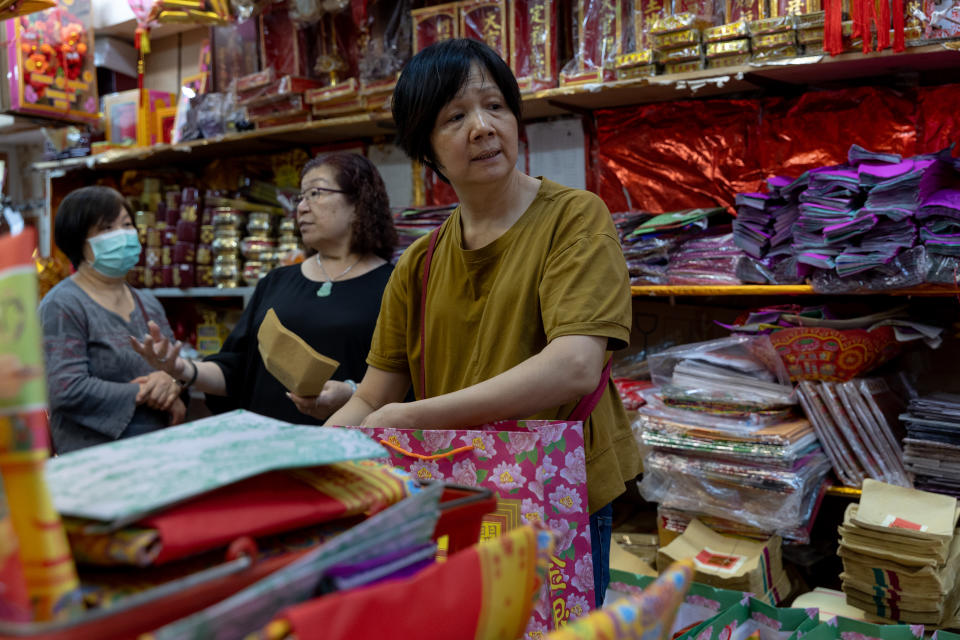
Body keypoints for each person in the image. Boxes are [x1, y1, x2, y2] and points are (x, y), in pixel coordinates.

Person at [319, 39, 640, 606]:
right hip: (456, 495)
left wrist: (411, 417)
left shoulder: (574, 218)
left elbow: (574, 366)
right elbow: (371, 399)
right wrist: (309, 458)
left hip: (553, 492)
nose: (484, 127)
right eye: (455, 117)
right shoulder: (418, 264)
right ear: (428, 149)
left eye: (495, 106)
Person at [131, 152, 398, 424]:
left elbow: (412, 384)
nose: (302, 207)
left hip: (350, 449)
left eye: (316, 193)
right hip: (269, 445)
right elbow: (236, 372)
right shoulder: (276, 281)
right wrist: (181, 368)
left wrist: (353, 394)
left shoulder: (395, 285)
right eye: (300, 197)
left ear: (358, 203)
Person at [39, 186, 185, 454]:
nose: (123, 235)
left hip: (157, 453)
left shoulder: (148, 304)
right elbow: (65, 389)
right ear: (78, 241)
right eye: (107, 228)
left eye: (127, 225)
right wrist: (141, 393)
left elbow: (174, 365)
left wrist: (171, 382)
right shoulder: (62, 305)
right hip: (94, 459)